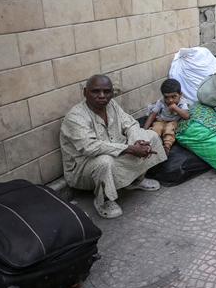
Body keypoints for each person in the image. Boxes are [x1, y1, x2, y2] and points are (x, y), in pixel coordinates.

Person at [60, 74, 166, 219]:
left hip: (113, 151)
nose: (102, 96)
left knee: (150, 136)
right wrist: (131, 149)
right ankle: (103, 200)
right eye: (95, 91)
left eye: (107, 92)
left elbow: (130, 124)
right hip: (83, 168)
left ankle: (135, 180)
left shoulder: (111, 105)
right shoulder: (75, 117)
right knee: (104, 162)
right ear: (85, 92)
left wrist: (138, 142)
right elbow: (90, 148)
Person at [143, 79, 191, 155]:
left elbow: (186, 115)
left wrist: (175, 108)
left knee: (169, 129)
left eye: (174, 97)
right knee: (156, 128)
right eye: (166, 97)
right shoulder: (161, 101)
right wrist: (144, 129)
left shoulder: (182, 102)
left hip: (173, 121)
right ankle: (151, 143)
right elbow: (153, 114)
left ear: (180, 94)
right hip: (161, 120)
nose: (170, 100)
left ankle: (166, 147)